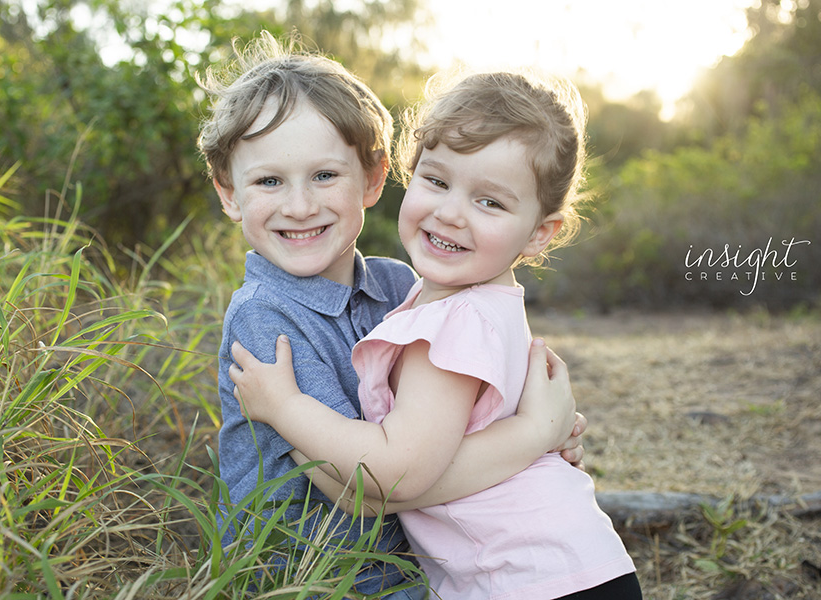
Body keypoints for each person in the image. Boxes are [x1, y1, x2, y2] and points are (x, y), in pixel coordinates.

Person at [199, 32, 587, 599]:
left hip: (408, 569)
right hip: (311, 578)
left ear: (375, 180)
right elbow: (362, 486)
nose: (300, 205)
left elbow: (454, 424)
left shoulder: (401, 285)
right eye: (268, 181)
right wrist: (530, 438)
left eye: (325, 175)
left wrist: (536, 437)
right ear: (230, 194)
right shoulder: (265, 320)